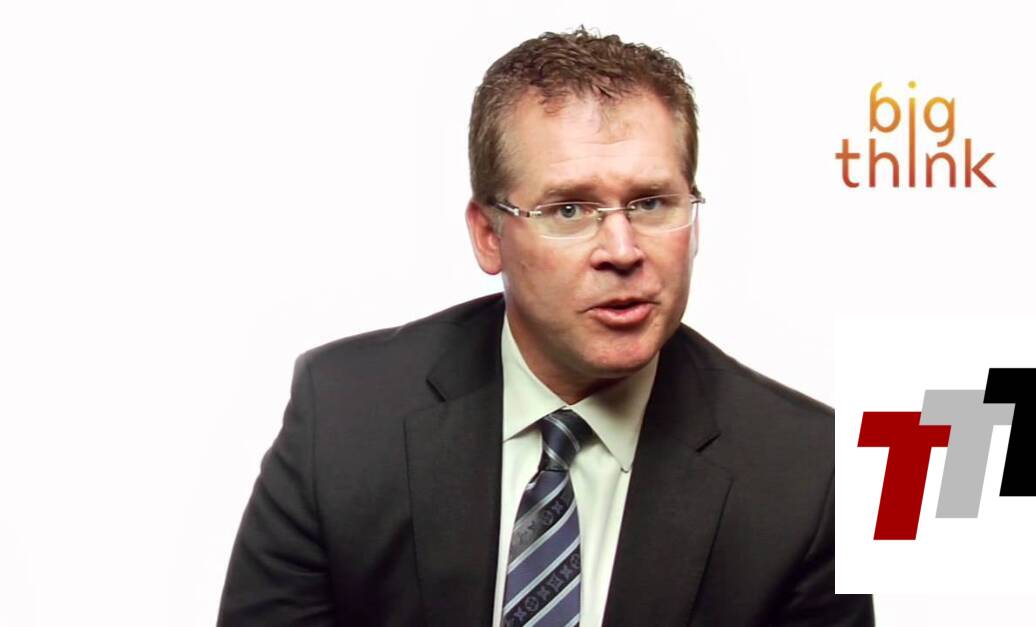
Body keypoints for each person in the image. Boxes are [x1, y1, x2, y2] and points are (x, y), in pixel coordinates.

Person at [217, 27, 874, 627]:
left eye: (651, 203)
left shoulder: (807, 475)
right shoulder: (343, 415)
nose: (622, 249)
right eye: (569, 209)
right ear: (488, 234)